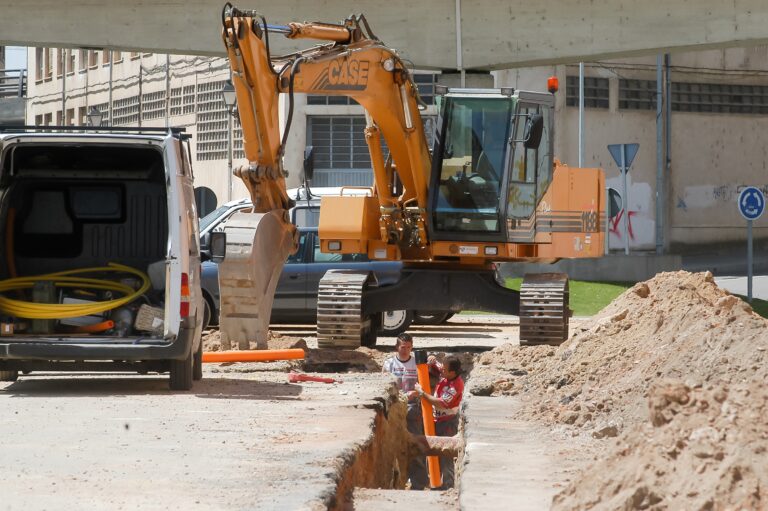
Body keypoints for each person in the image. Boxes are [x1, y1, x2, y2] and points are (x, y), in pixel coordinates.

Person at [382, 332, 432, 490]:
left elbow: (423, 384)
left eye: (409, 347)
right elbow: (383, 385)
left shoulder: (416, 364)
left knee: (415, 444)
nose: (406, 350)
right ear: (397, 347)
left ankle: (419, 483)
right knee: (392, 445)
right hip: (393, 408)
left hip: (412, 408)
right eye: (403, 347)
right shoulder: (389, 364)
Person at [415, 355, 464, 490]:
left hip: (448, 423)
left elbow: (441, 403)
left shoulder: (456, 385)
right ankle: (431, 481)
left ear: (452, 373)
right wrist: (431, 359)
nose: (442, 371)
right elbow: (438, 366)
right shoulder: (448, 373)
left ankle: (448, 486)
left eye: (445, 370)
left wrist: (422, 393)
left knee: (445, 454)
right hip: (436, 421)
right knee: (429, 450)